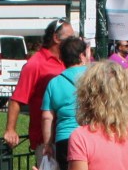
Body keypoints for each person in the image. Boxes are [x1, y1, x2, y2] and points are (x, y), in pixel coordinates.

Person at [4, 19, 75, 152]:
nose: (73, 42)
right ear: (56, 38)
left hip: (67, 136)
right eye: (70, 38)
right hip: (46, 141)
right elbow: (17, 99)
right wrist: (10, 130)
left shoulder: (68, 61)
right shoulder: (35, 64)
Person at [39, 35, 90, 170]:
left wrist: (48, 144)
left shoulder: (54, 83)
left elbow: (46, 117)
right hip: (90, 137)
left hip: (64, 140)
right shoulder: (93, 78)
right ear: (81, 55)